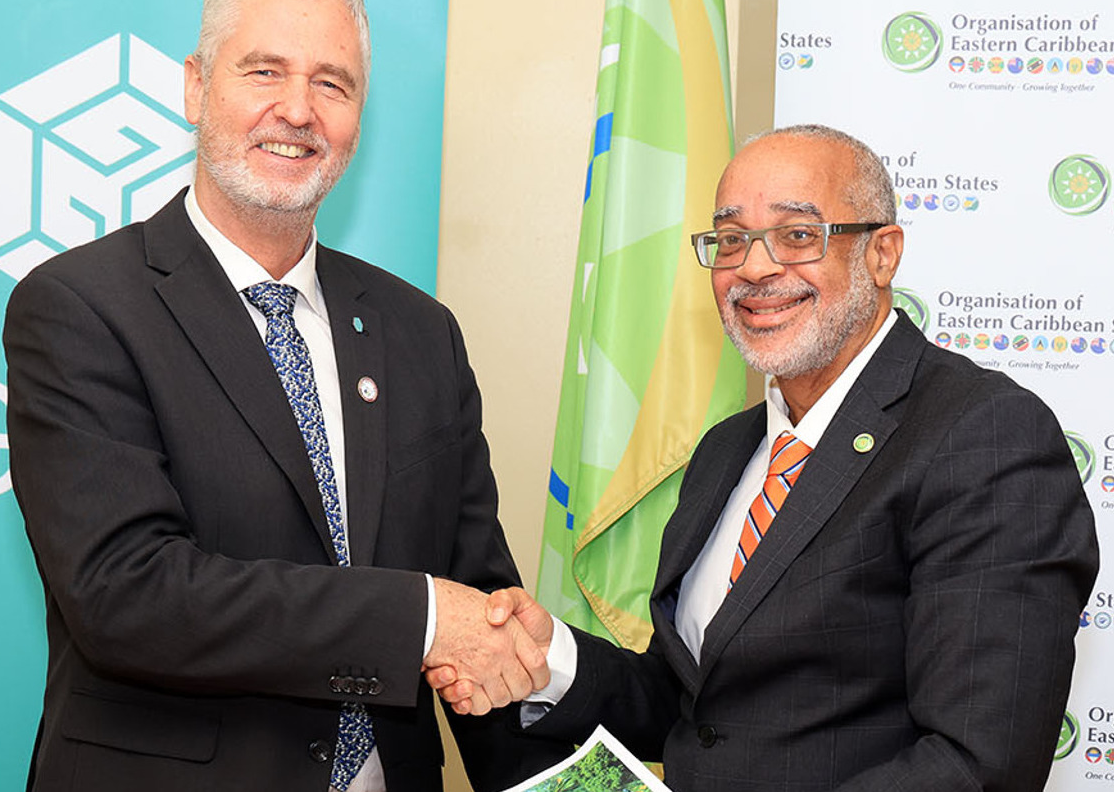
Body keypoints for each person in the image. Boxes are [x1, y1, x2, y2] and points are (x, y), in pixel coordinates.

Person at [2, 0, 567, 790]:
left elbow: (476, 619)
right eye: (264, 71)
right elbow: (128, 595)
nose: (298, 110)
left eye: (332, 83)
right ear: (196, 88)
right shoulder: (80, 307)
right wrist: (417, 619)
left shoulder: (422, 333)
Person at [431, 124, 1100, 791]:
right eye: (730, 240)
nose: (753, 268)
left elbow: (977, 764)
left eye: (797, 235)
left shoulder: (981, 434)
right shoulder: (728, 449)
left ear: (881, 254)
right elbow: (702, 708)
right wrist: (548, 657)